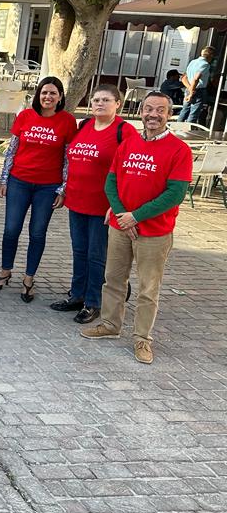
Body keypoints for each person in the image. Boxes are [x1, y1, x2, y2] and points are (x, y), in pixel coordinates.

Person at [81, 91, 192, 364]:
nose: (153, 114)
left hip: (155, 232)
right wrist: (122, 214)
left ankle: (142, 339)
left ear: (169, 114)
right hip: (121, 227)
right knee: (114, 280)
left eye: (160, 110)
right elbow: (111, 182)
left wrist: (137, 216)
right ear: (140, 111)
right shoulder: (128, 144)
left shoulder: (180, 150)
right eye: (148, 109)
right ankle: (110, 324)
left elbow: (175, 194)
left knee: (147, 289)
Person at [52, 85, 138, 324]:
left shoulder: (124, 131)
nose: (100, 104)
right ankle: (77, 295)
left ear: (117, 104)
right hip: (77, 201)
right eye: (96, 100)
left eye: (106, 100)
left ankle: (93, 302)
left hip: (103, 205)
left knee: (96, 255)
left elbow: (128, 170)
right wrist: (64, 190)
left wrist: (119, 204)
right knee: (79, 251)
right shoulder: (85, 126)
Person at [0, 77, 78, 301]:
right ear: (38, 95)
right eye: (44, 93)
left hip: (48, 187)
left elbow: (69, 158)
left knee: (37, 233)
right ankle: (5, 272)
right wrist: (4, 179)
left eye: (53, 93)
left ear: (60, 98)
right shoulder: (25, 116)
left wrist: (63, 189)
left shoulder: (67, 121)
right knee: (11, 229)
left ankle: (29, 280)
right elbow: (11, 150)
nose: (48, 97)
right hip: (19, 181)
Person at [180, 46, 215, 124]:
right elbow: (196, 78)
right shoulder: (205, 64)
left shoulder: (193, 62)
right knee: (193, 114)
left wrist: (189, 89)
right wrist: (192, 91)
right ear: (211, 55)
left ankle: (175, 130)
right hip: (198, 91)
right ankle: (187, 133)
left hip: (188, 89)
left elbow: (184, 77)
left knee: (184, 111)